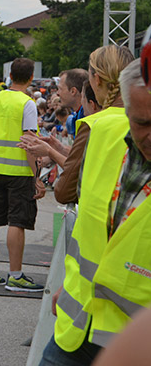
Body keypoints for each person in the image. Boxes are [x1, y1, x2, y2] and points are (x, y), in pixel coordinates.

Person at [39, 58, 151, 365]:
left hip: (135, 342)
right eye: (141, 123)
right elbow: (91, 224)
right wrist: (72, 284)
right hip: (79, 325)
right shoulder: (100, 131)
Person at [21, 47, 132, 205]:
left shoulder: (94, 125)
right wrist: (58, 148)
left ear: (97, 79)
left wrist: (50, 152)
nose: (57, 93)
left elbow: (64, 191)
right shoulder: (141, 119)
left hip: (99, 217)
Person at [0, 57, 45, 292]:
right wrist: (36, 176)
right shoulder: (27, 103)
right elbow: (29, 142)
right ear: (31, 77)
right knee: (17, 221)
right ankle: (15, 276)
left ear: (10, 75)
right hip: (20, 172)